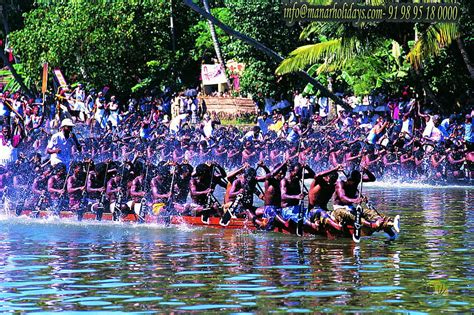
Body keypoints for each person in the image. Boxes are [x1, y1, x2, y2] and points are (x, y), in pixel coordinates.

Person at [333, 168, 399, 240]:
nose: (356, 183)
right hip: (339, 209)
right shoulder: (340, 184)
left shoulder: (357, 180)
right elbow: (342, 198)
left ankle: (389, 226)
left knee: (372, 213)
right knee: (355, 216)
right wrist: (355, 200)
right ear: (349, 180)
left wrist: (367, 171)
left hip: (351, 208)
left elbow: (372, 179)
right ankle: (373, 225)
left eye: (357, 181)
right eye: (354, 182)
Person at [306, 165, 344, 232]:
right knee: (321, 212)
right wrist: (334, 169)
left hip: (324, 211)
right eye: (330, 180)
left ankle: (338, 224)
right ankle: (336, 226)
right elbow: (317, 176)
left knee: (336, 213)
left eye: (333, 181)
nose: (330, 183)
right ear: (326, 177)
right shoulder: (319, 182)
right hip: (312, 212)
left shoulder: (332, 186)